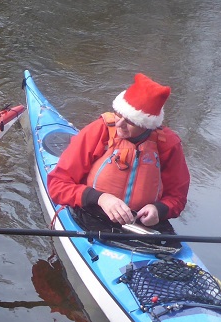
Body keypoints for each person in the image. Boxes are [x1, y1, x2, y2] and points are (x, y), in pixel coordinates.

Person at [47, 73, 190, 229]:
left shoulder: (168, 144)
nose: (119, 124)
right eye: (118, 115)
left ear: (147, 125)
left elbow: (177, 197)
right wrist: (101, 198)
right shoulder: (98, 131)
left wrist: (159, 209)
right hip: (91, 213)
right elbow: (57, 185)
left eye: (130, 121)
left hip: (140, 225)